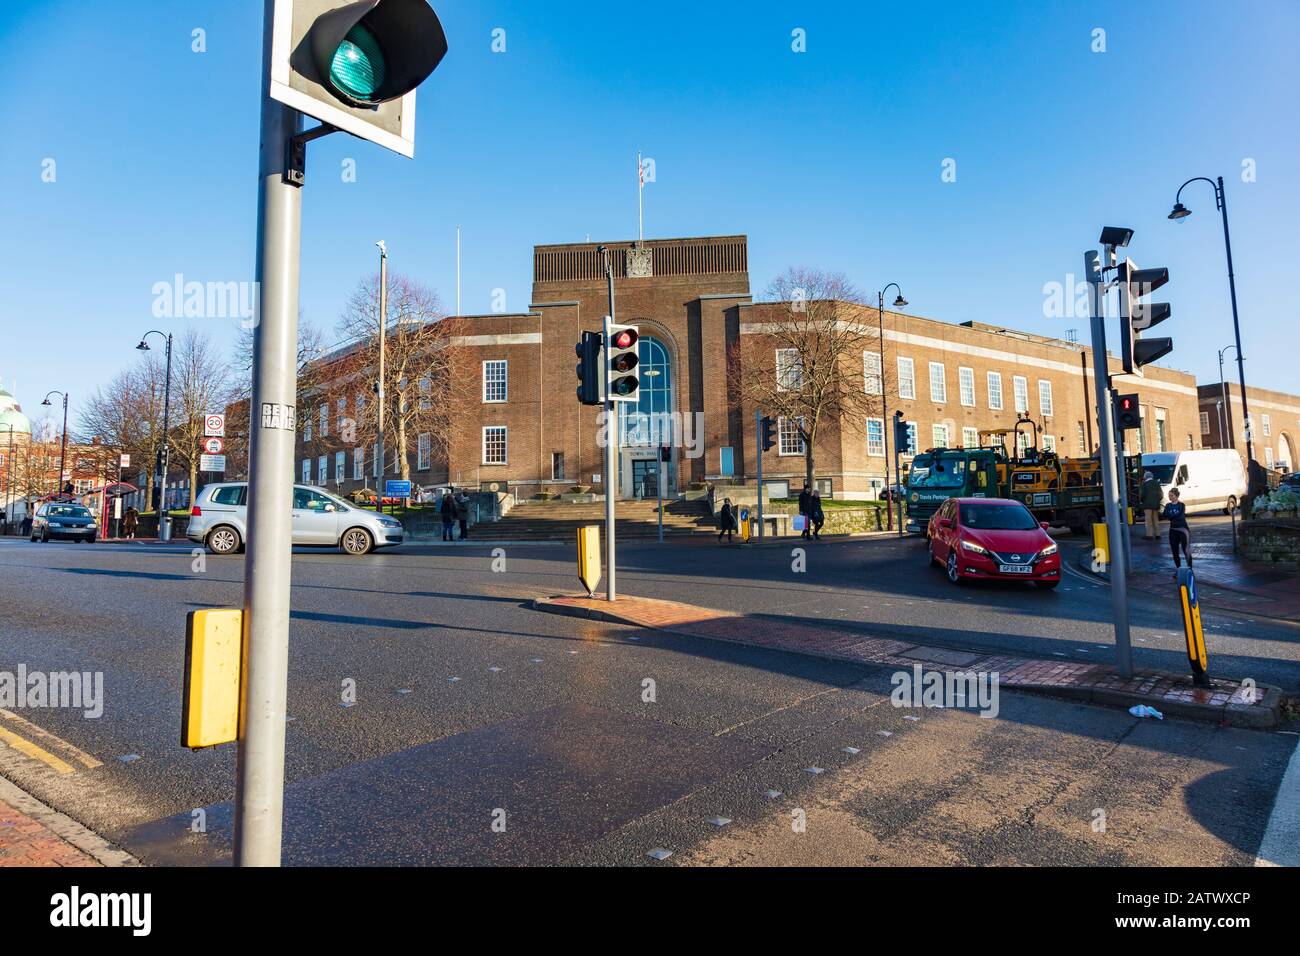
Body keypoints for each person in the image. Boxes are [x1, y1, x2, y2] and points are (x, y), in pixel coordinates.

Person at [1161, 487, 1191, 576]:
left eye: (1172, 496)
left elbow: (1180, 516)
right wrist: (1172, 516)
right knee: (1174, 551)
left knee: (1186, 549)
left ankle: (1190, 569)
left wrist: (1171, 516)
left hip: (1183, 530)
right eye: (1169, 496)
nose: (1170, 497)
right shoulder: (1168, 505)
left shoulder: (1181, 505)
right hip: (1173, 530)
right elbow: (1164, 515)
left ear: (1177, 496)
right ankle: (1178, 569)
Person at [1139, 471, 1163, 540]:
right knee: (1155, 519)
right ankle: (1158, 534)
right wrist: (1157, 500)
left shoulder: (1145, 484)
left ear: (1145, 477)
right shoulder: (1157, 483)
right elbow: (1161, 494)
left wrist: (1142, 500)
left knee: (1148, 520)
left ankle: (1149, 535)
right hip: (1156, 504)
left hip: (1147, 505)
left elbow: (1142, 495)